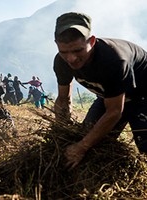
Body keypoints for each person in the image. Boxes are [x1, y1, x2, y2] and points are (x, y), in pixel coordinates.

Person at [53, 12, 147, 169]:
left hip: (142, 97)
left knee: (145, 148)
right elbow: (63, 99)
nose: (71, 59)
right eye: (64, 52)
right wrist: (61, 133)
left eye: (78, 50)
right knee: (87, 136)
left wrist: (81, 147)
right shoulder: (61, 63)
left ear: (92, 41)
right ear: (56, 43)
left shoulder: (113, 60)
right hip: (109, 97)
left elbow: (115, 112)